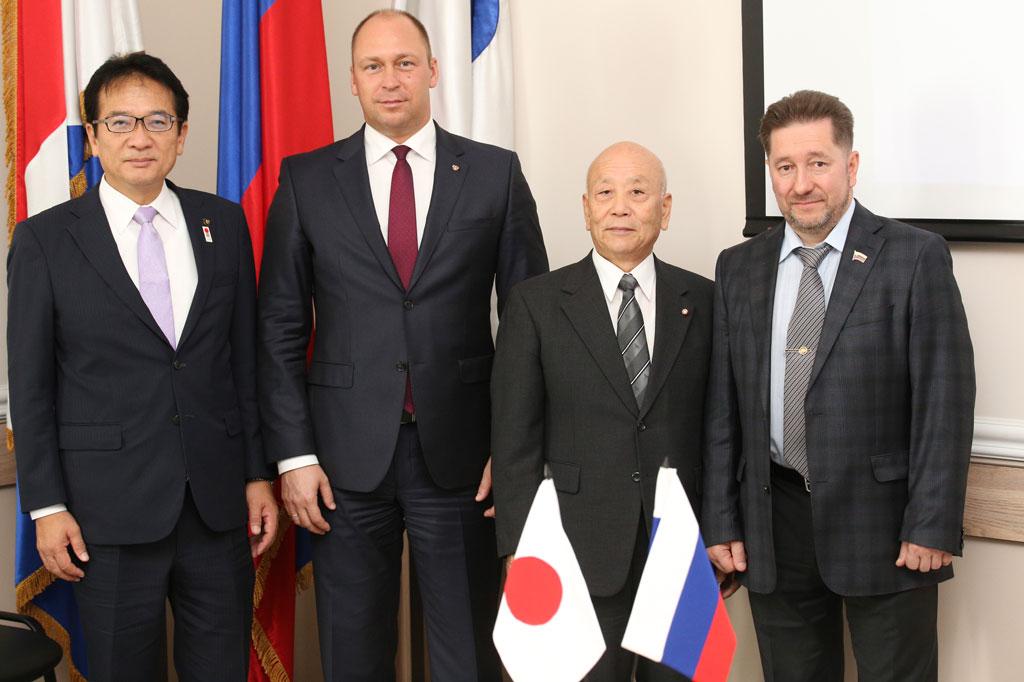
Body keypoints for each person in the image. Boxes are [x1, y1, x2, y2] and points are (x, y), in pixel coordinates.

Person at [256, 9, 548, 681]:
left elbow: (529, 323)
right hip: (340, 462)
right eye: (373, 66)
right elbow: (279, 328)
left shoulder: (494, 174)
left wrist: (513, 447)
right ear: (352, 80)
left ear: (433, 71)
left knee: (468, 656)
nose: (390, 80)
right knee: (354, 655)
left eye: (405, 63)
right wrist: (294, 455)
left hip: (464, 458)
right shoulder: (306, 180)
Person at [7, 52, 277, 681]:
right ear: (93, 135)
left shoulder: (223, 222)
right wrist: (46, 507)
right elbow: (32, 385)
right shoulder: (45, 240)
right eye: (120, 122)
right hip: (105, 514)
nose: (139, 137)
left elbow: (244, 362)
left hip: (216, 507)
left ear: (181, 135)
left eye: (158, 121)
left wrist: (257, 474)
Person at [702, 89, 975, 681]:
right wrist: (721, 520)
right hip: (773, 525)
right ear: (770, 172)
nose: (801, 183)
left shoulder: (914, 257)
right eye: (785, 166)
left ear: (851, 165)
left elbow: (945, 401)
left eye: (818, 163)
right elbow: (724, 409)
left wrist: (931, 522)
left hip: (886, 526)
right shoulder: (738, 267)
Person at [491, 141, 712, 681]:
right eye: (606, 193)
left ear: (664, 208)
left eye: (638, 192)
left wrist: (722, 533)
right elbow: (515, 439)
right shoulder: (536, 303)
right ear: (586, 208)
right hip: (572, 546)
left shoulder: (705, 300)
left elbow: (719, 427)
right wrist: (519, 548)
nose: (620, 207)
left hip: (681, 547)